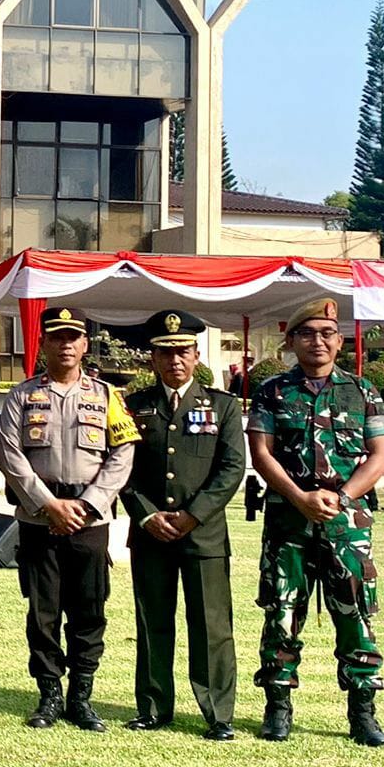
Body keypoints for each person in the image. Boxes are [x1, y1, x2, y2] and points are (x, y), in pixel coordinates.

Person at [247, 298, 384, 747]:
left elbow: (380, 455)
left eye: (327, 333)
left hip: (347, 526)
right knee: (282, 614)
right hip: (289, 523)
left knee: (356, 617)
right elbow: (262, 453)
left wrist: (343, 497)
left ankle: (362, 711)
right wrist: (300, 497)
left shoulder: (362, 391)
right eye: (307, 333)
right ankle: (278, 706)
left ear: (340, 340)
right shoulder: (272, 391)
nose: (318, 341)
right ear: (291, 341)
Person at [0, 306, 137, 733]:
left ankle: (81, 695)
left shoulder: (106, 396)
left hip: (89, 521)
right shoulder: (23, 396)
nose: (66, 344)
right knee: (42, 612)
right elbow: (9, 454)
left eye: (73, 337)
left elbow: (123, 453)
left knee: (89, 609)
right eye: (57, 336)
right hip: (40, 520)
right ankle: (49, 694)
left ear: (85, 344)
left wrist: (91, 504)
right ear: (44, 344)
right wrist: (47, 504)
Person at [120, 310, 245, 741]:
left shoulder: (223, 405)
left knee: (211, 625)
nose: (175, 360)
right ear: (152, 359)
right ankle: (154, 707)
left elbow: (232, 469)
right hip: (151, 533)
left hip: (204, 534)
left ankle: (218, 713)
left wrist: (194, 514)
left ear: (196, 356)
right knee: (152, 621)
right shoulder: (133, 407)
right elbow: (122, 471)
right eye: (165, 352)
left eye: (182, 352)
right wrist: (147, 513)